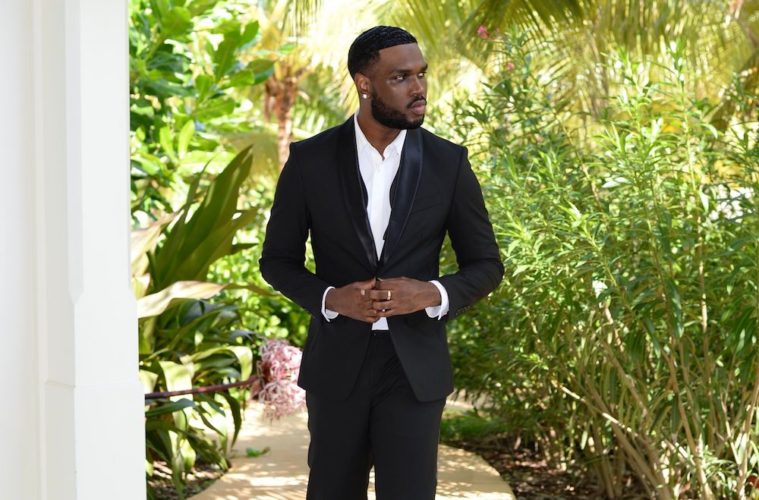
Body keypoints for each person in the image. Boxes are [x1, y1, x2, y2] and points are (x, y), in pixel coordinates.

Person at [259, 25, 503, 500]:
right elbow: (278, 260)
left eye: (421, 74)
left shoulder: (448, 163)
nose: (418, 88)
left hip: (414, 368)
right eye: (400, 77)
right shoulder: (310, 160)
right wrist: (331, 299)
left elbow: (486, 264)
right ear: (364, 84)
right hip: (338, 366)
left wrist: (431, 293)